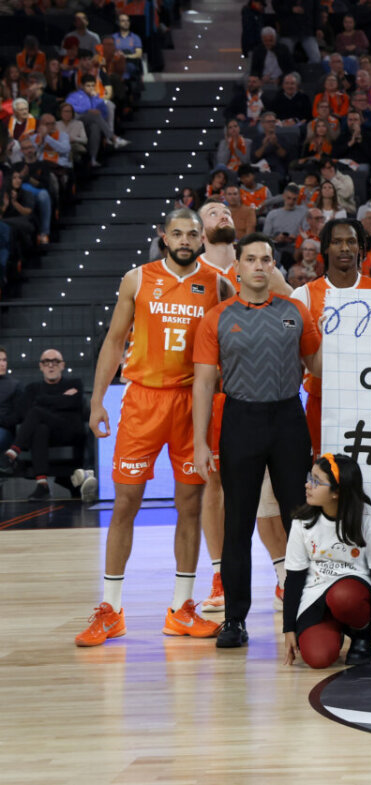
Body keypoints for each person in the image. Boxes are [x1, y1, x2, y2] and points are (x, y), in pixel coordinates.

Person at [74, 209, 230, 646]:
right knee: (125, 504)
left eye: (192, 234)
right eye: (177, 233)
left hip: (192, 405)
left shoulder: (217, 283)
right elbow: (114, 339)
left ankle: (182, 608)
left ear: (202, 239)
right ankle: (111, 609)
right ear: (164, 237)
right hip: (142, 399)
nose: (184, 240)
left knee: (191, 506)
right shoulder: (137, 279)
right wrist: (97, 399)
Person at [193, 233, 321, 649]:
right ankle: (234, 619)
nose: (260, 266)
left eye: (267, 259)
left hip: (288, 417)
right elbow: (203, 383)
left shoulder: (295, 311)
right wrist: (199, 443)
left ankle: (307, 613)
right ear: (238, 268)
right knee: (238, 526)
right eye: (252, 259)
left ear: (274, 267)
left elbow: (320, 366)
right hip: (241, 420)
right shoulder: (217, 318)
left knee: (300, 522)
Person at [282, 454, 371, 668]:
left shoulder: (368, 520)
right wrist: (289, 629)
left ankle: (362, 633)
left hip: (353, 594)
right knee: (318, 659)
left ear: (337, 492)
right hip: (316, 594)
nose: (307, 485)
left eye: (316, 481)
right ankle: (335, 630)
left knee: (343, 597)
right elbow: (294, 579)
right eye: (309, 477)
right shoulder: (302, 522)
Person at [291, 219, 371, 455]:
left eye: (351, 242)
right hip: (321, 401)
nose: (344, 248)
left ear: (361, 249)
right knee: (324, 475)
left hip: (369, 400)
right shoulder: (304, 295)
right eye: (337, 242)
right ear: (325, 249)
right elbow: (294, 357)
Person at [0, 347, 91, 501]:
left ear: (62, 365)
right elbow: (24, 412)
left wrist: (42, 400)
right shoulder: (32, 388)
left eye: (55, 361)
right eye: (46, 362)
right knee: (40, 428)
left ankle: (13, 453)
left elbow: (73, 403)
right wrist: (61, 400)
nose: (51, 365)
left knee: (36, 412)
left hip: (70, 431)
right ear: (40, 366)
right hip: (48, 434)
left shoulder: (75, 383)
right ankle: (42, 484)